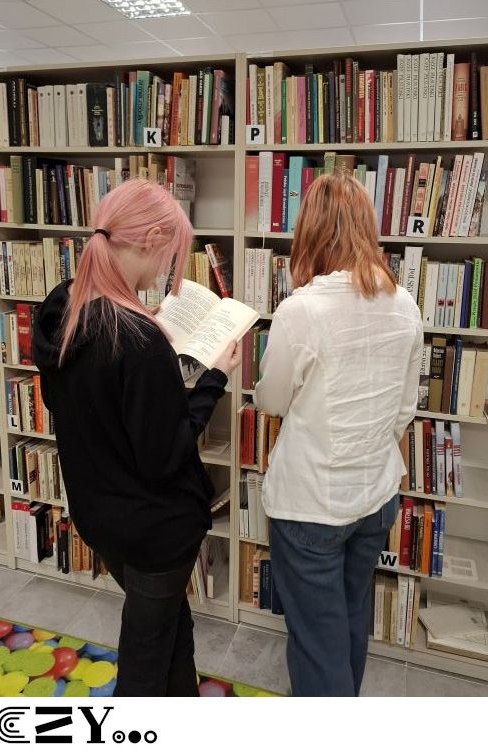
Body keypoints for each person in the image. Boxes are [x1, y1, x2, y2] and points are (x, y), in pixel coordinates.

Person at [33, 178, 241, 696]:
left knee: (172, 633)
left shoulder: (62, 309)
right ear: (150, 240)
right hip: (153, 532)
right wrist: (213, 378)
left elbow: (70, 406)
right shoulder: (137, 339)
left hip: (101, 517)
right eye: (169, 256)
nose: (165, 272)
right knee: (146, 664)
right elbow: (164, 455)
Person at [254, 173, 423, 697]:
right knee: (350, 619)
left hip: (312, 503)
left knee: (315, 642)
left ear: (311, 230)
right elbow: (404, 411)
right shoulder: (406, 304)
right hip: (375, 496)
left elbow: (271, 401)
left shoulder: (301, 309)